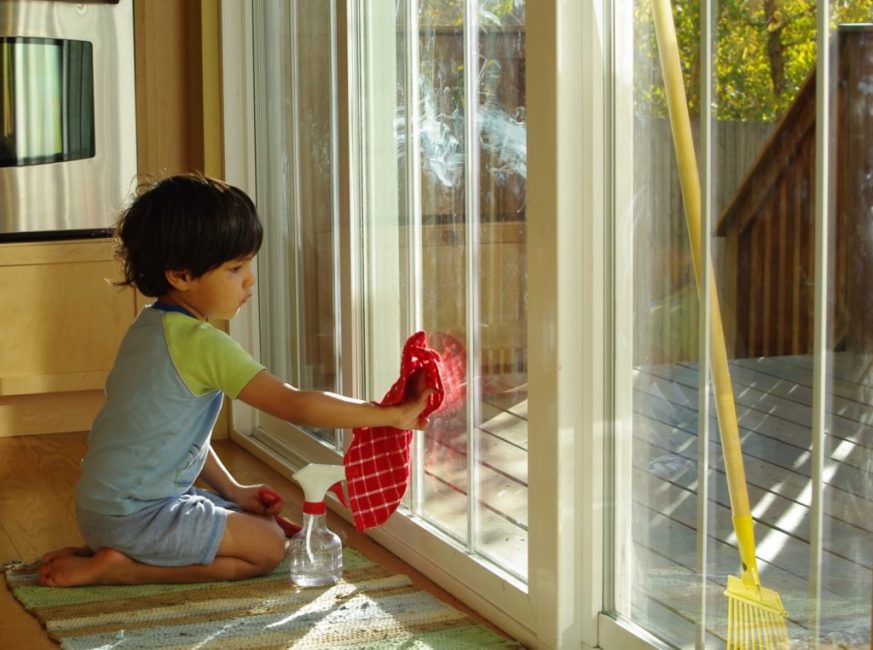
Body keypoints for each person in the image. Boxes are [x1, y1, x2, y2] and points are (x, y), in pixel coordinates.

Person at [38, 173, 432, 588]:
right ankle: (124, 567)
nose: (250, 280)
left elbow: (173, 436)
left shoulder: (149, 328)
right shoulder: (202, 343)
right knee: (268, 546)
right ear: (181, 275)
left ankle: (107, 549)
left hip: (106, 510)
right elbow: (294, 404)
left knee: (258, 519)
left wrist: (232, 489)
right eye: (235, 268)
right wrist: (388, 415)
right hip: (138, 516)